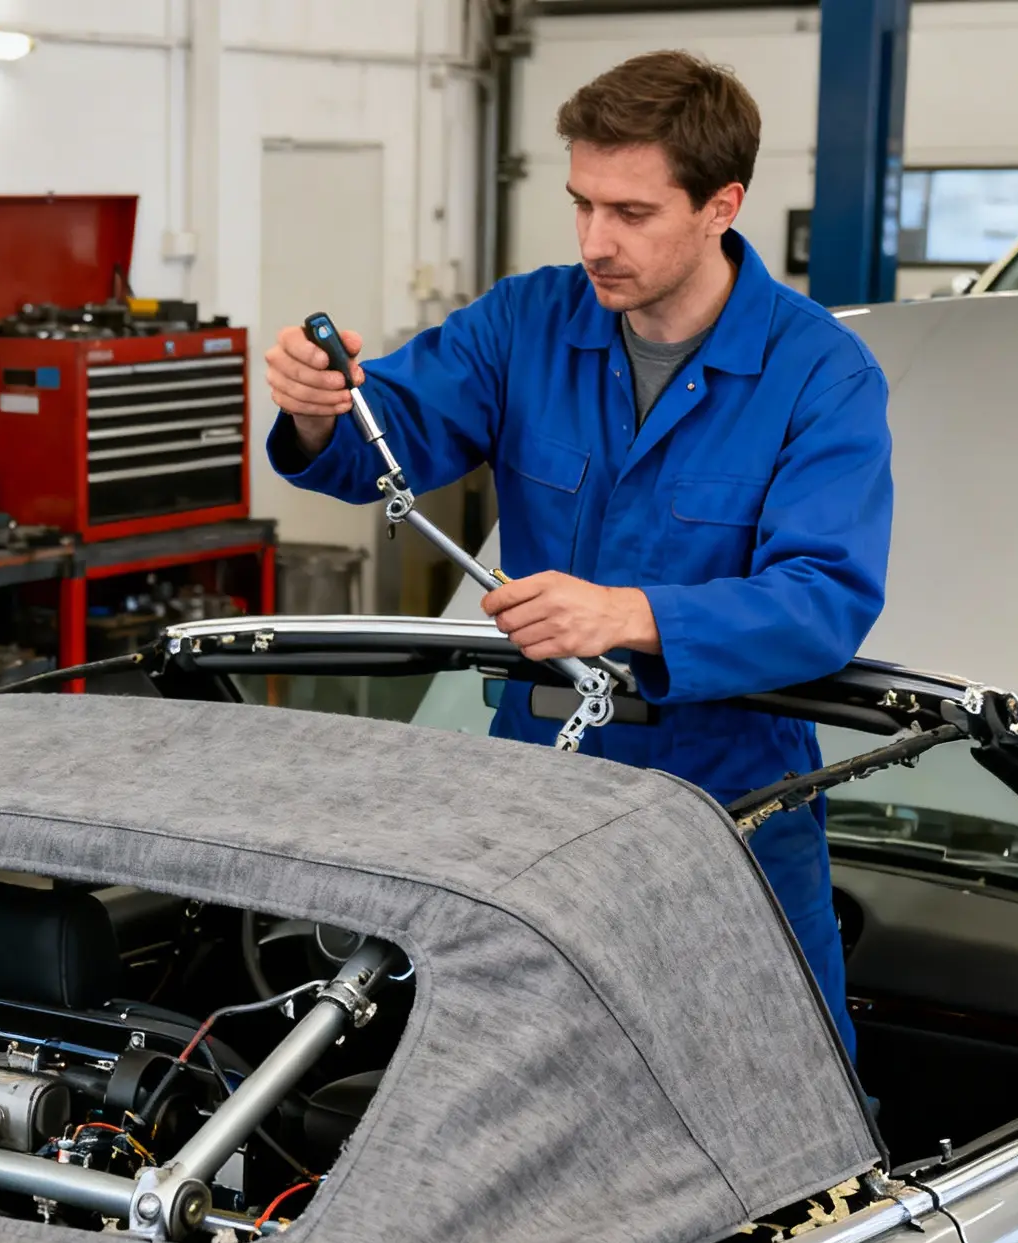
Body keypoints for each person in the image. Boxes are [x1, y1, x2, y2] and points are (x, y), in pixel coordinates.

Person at [264, 49, 891, 1056]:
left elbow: (826, 599)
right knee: (512, 1073)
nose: (597, 241)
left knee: (780, 1081)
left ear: (720, 204)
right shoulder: (527, 323)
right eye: (582, 204)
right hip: (537, 786)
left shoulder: (821, 374)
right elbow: (389, 440)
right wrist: (315, 407)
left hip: (729, 806)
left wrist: (633, 615)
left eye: (632, 214)